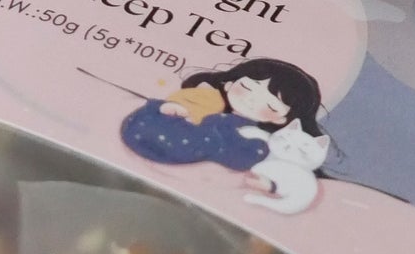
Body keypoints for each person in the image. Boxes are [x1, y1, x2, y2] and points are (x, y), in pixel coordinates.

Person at [120, 58, 324, 172]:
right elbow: (181, 105)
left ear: (282, 119)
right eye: (246, 87)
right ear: (229, 83)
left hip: (196, 149)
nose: (252, 100)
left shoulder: (261, 137)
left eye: (270, 105)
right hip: (171, 132)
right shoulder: (208, 98)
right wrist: (177, 110)